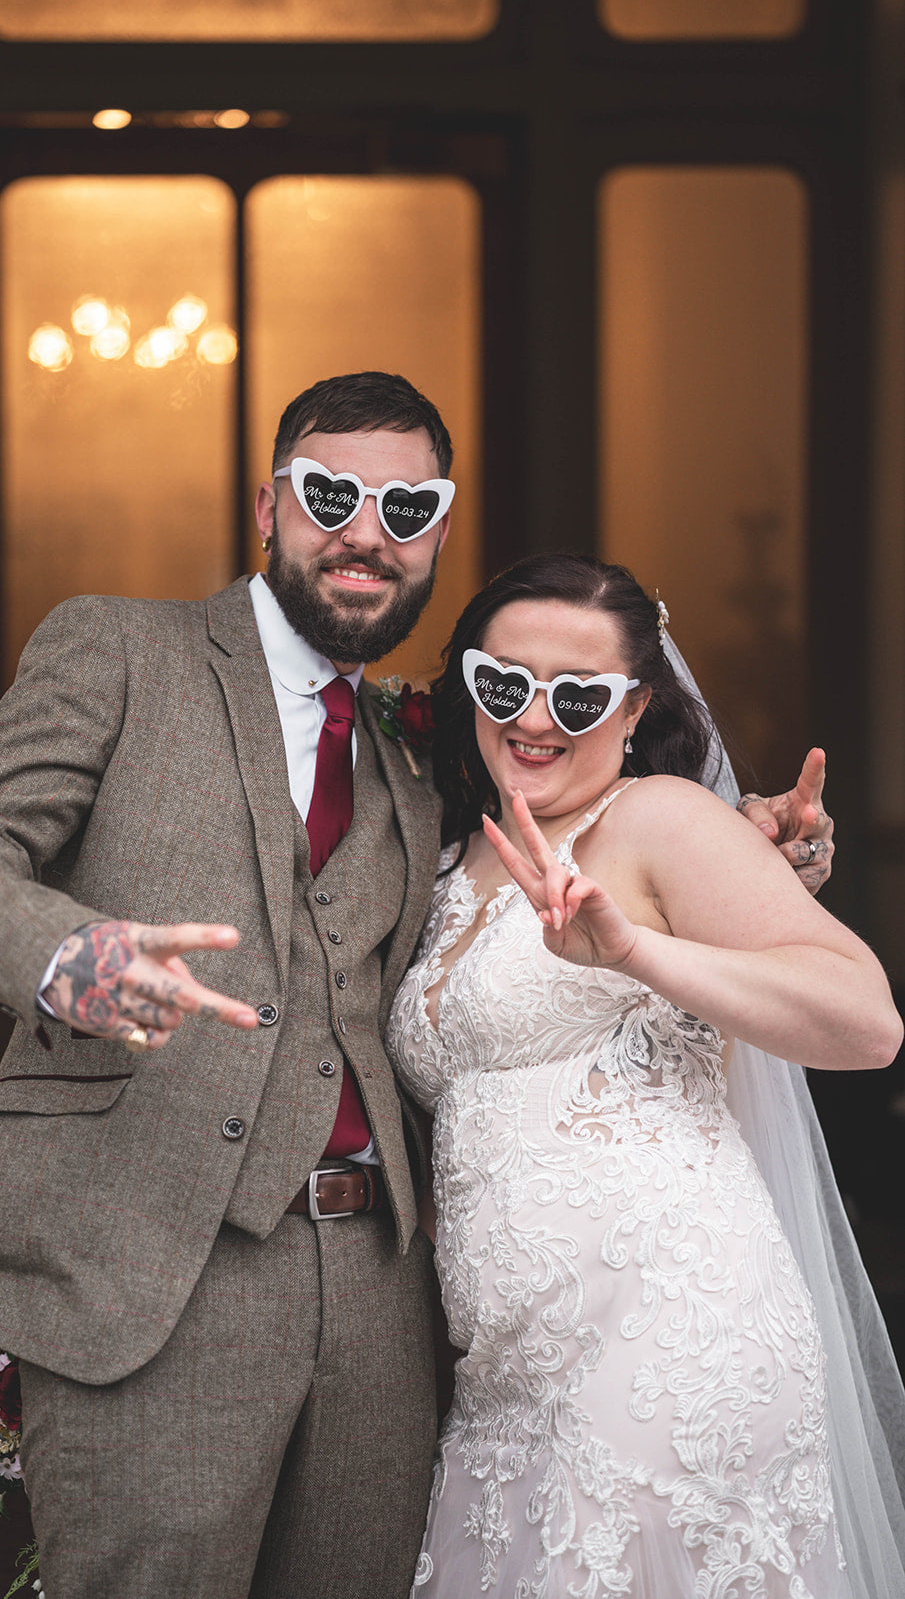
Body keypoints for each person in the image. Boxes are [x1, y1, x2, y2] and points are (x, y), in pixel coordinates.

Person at [0, 376, 832, 1599]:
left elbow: (589, 822)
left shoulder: (426, 748)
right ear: (269, 508)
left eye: (406, 505)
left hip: (384, 1302)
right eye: (330, 494)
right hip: (156, 1269)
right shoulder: (120, 648)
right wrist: (66, 956)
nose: (365, 530)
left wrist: (754, 844)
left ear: (439, 532)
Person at [385, 552, 905, 1598]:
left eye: (577, 695)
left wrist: (635, 952)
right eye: (504, 684)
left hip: (669, 1339)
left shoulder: (660, 817)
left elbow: (866, 1020)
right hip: (507, 1373)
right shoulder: (445, 860)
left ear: (633, 712)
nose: (535, 718)